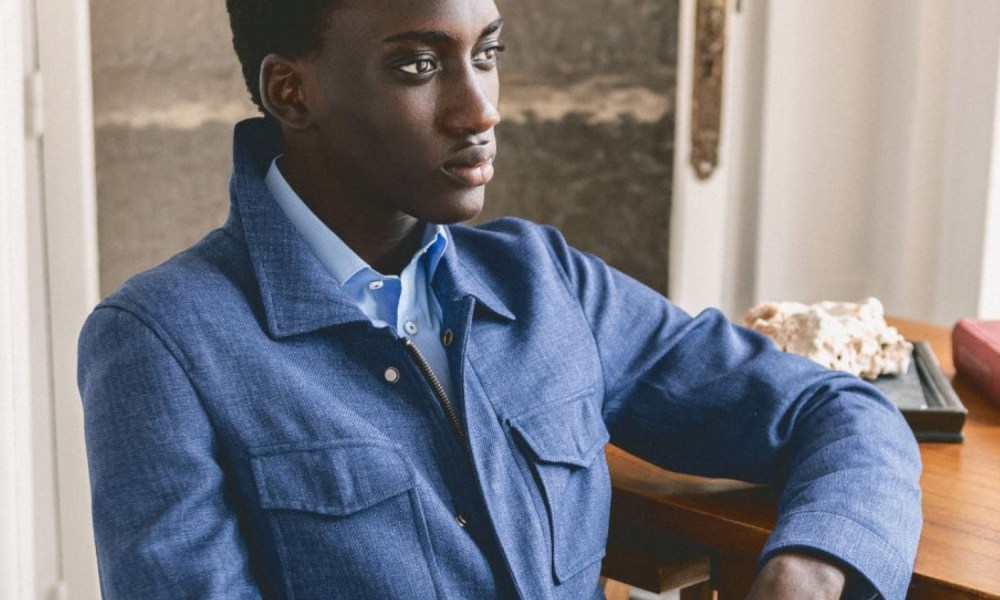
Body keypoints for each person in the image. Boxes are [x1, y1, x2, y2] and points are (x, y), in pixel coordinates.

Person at [76, 0, 922, 598]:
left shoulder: (547, 282)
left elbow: (842, 413)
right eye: (418, 64)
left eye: (487, 52)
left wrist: (812, 565)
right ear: (292, 92)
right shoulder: (162, 347)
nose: (480, 109)